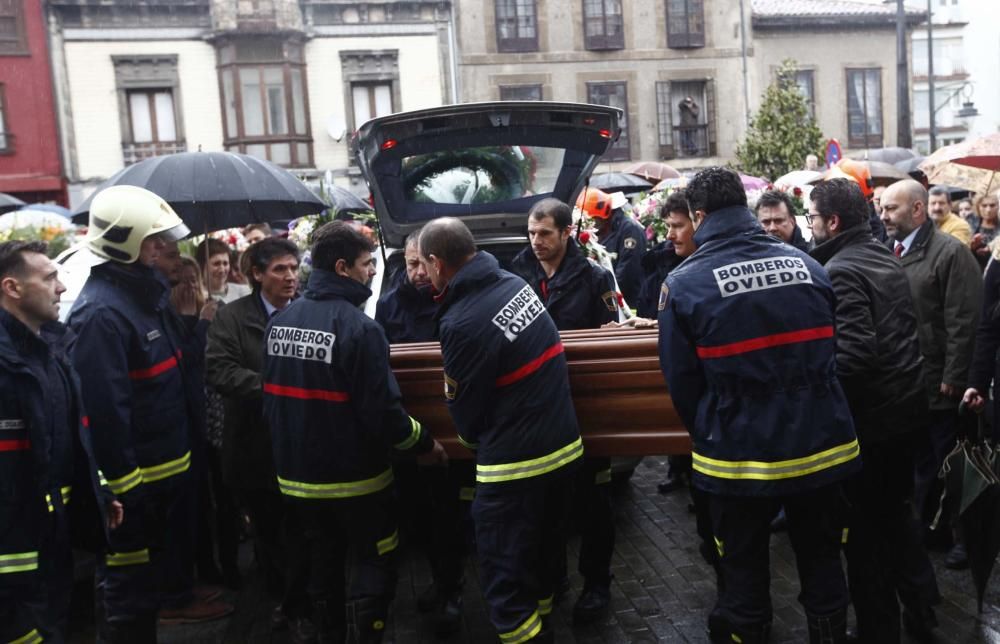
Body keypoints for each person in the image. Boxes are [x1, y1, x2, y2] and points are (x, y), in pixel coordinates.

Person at [658, 167, 860, 644]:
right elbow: (830, 353)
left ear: (700, 215)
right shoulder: (808, 266)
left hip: (738, 458)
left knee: (744, 576)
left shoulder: (683, 285)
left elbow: (682, 383)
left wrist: (710, 431)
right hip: (823, 446)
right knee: (824, 564)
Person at [263, 221, 445, 643]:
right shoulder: (360, 329)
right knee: (374, 562)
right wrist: (423, 444)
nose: (371, 273)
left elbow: (272, 401)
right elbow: (384, 412)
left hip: (297, 482)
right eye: (366, 265)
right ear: (343, 268)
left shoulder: (281, 322)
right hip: (357, 482)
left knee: (323, 564)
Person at [68, 186, 232, 642]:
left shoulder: (144, 297)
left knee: (160, 563)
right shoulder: (101, 315)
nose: (169, 249)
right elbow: (103, 414)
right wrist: (126, 487)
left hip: (170, 465)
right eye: (158, 241)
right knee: (129, 583)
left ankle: (175, 598)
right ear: (133, 246)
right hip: (142, 483)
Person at [418, 217, 583, 643]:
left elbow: (466, 412)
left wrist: (472, 444)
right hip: (563, 448)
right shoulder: (515, 284)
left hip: (513, 467)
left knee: (503, 574)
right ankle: (545, 616)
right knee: (544, 555)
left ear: (437, 262)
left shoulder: (460, 323)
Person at [808, 179, 941, 643]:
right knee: (896, 518)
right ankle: (923, 607)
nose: (810, 226)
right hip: (905, 410)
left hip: (875, 423)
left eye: (812, 218)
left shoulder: (842, 268)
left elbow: (857, 355)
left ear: (833, 222)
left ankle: (877, 628)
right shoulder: (880, 252)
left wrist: (822, 392)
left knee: (866, 537)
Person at [0, 241, 121, 644]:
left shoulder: (53, 348)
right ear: (12, 288)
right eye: (49, 277)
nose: (62, 288)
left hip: (59, 541)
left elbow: (70, 437)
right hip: (15, 561)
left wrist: (98, 491)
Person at [511, 198, 618, 624]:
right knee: (545, 507)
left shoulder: (594, 277)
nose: (536, 242)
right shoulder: (516, 273)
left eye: (545, 234)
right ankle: (552, 580)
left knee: (593, 506)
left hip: (584, 404)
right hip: (534, 407)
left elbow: (609, 336)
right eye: (532, 233)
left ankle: (596, 585)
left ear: (566, 233)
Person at [207, 237, 310, 635]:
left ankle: (299, 601)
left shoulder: (307, 312)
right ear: (256, 274)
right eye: (279, 270)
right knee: (269, 531)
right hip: (253, 446)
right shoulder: (231, 318)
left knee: (302, 528)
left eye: (293, 268)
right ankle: (281, 600)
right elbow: (219, 371)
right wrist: (274, 387)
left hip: (301, 443)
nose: (290, 277)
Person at [879, 179, 981, 569]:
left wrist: (955, 375)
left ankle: (966, 538)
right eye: (883, 208)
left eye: (892, 209)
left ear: (918, 210)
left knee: (952, 465)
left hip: (941, 381)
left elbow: (963, 320)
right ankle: (934, 530)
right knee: (925, 464)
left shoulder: (950, 253)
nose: (883, 216)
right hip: (909, 382)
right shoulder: (892, 251)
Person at [375, 233, 472, 638]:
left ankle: (453, 589)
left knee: (452, 517)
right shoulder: (389, 302)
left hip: (457, 429)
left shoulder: (456, 298)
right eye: (410, 264)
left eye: (422, 264)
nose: (416, 273)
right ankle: (441, 581)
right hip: (411, 432)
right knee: (421, 516)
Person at [577, 187, 646, 311]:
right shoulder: (604, 231)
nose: (592, 224)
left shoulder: (630, 230)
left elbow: (627, 272)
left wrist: (604, 293)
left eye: (593, 219)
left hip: (628, 303)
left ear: (603, 215)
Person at [636, 191, 688, 321]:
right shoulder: (656, 263)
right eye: (668, 226)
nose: (669, 235)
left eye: (678, 226)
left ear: (698, 222)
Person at [195, 238, 251, 304]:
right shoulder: (196, 296)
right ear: (201, 266)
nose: (222, 269)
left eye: (225, 263)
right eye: (216, 264)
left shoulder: (243, 291)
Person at [970, 192, 1000, 267]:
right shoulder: (970, 223)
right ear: (978, 207)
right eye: (984, 206)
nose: (988, 210)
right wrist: (971, 246)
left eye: (992, 205)